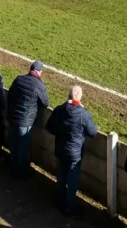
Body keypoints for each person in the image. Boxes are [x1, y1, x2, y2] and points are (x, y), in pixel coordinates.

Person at [46, 85, 98, 216]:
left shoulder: (59, 109)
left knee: (61, 176)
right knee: (72, 180)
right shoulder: (83, 114)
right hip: (74, 153)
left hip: (60, 149)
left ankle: (59, 200)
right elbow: (92, 132)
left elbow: (49, 126)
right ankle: (69, 207)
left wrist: (61, 132)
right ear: (79, 97)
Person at [6, 60, 49, 178]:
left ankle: (12, 166)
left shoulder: (19, 79)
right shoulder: (39, 85)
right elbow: (45, 103)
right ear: (39, 72)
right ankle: (21, 172)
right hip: (25, 121)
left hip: (13, 117)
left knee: (14, 143)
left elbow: (10, 94)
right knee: (23, 147)